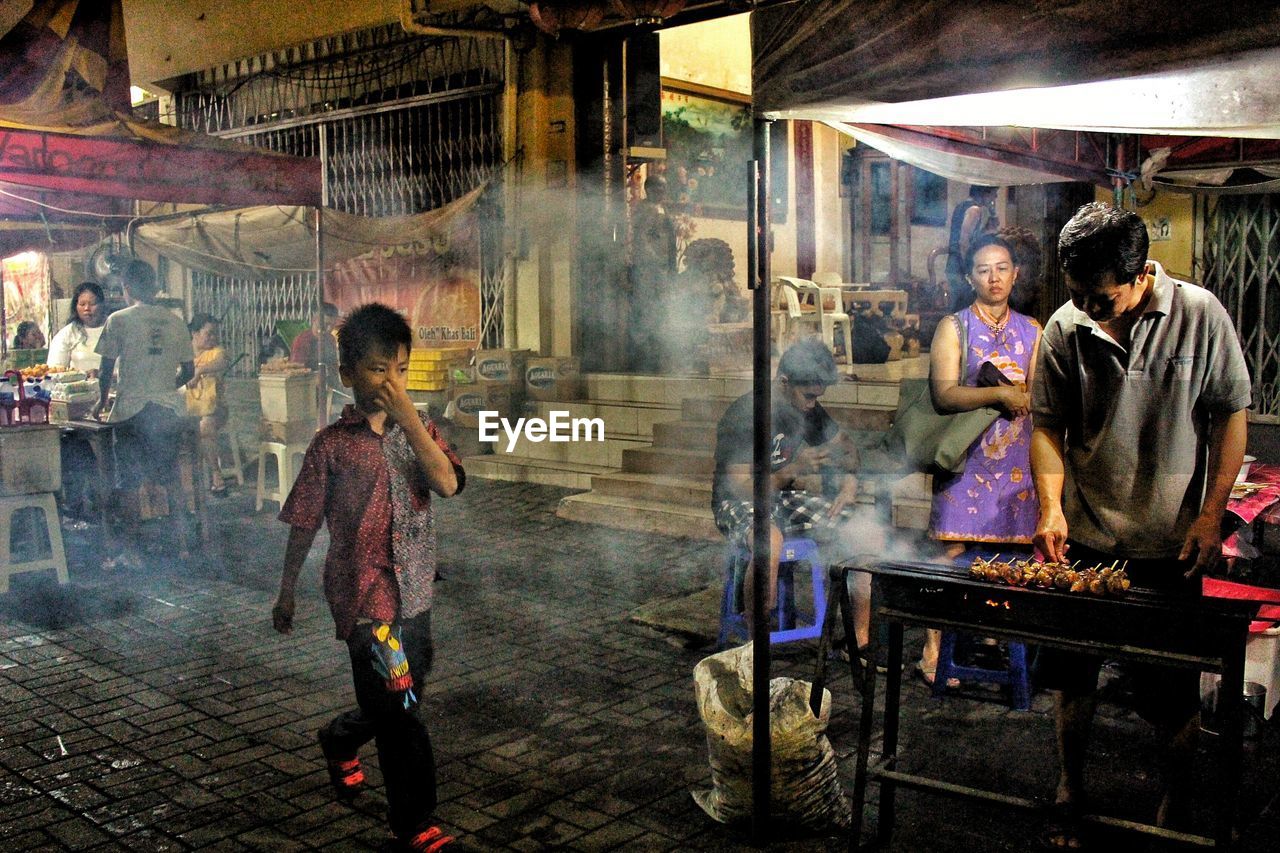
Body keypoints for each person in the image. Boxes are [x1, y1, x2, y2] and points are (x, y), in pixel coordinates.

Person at [1031, 203, 1251, 848]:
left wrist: (1211, 516)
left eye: (1100, 298)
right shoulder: (1066, 325)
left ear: (1140, 274)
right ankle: (1070, 786)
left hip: (1169, 539)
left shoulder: (1199, 313)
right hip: (1088, 534)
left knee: (1171, 689)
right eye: (1075, 295)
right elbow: (1047, 424)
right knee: (1072, 679)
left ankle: (1175, 798)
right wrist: (1051, 507)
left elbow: (1229, 415)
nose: (1086, 310)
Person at [271, 303, 463, 853]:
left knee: (402, 696)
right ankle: (415, 824)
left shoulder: (420, 431)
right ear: (348, 374)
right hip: (365, 600)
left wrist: (409, 421)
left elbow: (448, 484)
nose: (391, 383)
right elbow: (304, 522)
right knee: (402, 712)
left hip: (416, 590)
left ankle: (340, 737)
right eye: (379, 369)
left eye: (401, 369)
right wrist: (286, 592)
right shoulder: (330, 445)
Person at [919, 234, 1041, 687]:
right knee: (952, 553)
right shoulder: (955, 327)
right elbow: (944, 393)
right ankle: (933, 648)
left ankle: (992, 635)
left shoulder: (1033, 329)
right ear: (970, 276)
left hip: (1017, 461)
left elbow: (1038, 393)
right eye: (984, 270)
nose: (994, 278)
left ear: (1015, 274)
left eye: (1002, 268)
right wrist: (1000, 392)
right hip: (966, 460)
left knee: (1011, 555)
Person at [712, 337, 870, 649]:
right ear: (784, 382)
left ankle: (860, 642)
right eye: (809, 395)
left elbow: (848, 447)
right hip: (739, 499)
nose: (813, 403)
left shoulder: (810, 411)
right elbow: (740, 485)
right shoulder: (745, 414)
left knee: (864, 529)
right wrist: (791, 470)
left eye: (818, 396)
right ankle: (757, 647)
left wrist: (850, 485)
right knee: (768, 541)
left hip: (785, 498)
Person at [93, 259, 196, 566]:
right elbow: (189, 371)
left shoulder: (119, 320)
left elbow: (106, 368)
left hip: (132, 412)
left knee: (130, 483)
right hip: (167, 411)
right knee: (171, 478)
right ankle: (182, 546)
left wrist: (101, 401)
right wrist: (164, 386)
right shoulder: (175, 320)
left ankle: (134, 553)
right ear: (153, 286)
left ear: (126, 288)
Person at [629, 174, 678, 373]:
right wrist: (655, 261)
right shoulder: (646, 210)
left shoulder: (661, 209)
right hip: (650, 270)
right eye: (660, 189)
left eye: (664, 189)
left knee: (660, 310)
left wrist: (670, 263)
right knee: (647, 309)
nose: (663, 193)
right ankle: (644, 356)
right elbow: (642, 239)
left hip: (661, 269)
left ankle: (657, 353)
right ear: (650, 190)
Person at [183, 313, 230, 494]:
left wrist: (200, 371)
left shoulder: (216, 353)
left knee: (205, 425)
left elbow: (222, 362)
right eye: (208, 333)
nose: (213, 338)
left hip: (215, 410)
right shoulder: (183, 353)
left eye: (215, 334)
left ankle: (216, 474)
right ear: (194, 333)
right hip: (187, 409)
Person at [946, 185, 999, 312]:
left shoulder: (962, 206)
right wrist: (969, 268)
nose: (995, 197)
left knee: (960, 307)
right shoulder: (974, 209)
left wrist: (988, 228)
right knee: (963, 307)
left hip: (954, 264)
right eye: (993, 193)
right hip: (960, 267)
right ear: (984, 192)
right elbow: (964, 242)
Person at [48, 282, 107, 375]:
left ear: (102, 305)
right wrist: (83, 374)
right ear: (75, 306)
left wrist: (103, 375)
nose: (87, 308)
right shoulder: (67, 334)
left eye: (92, 303)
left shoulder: (114, 328)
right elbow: (54, 371)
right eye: (82, 304)